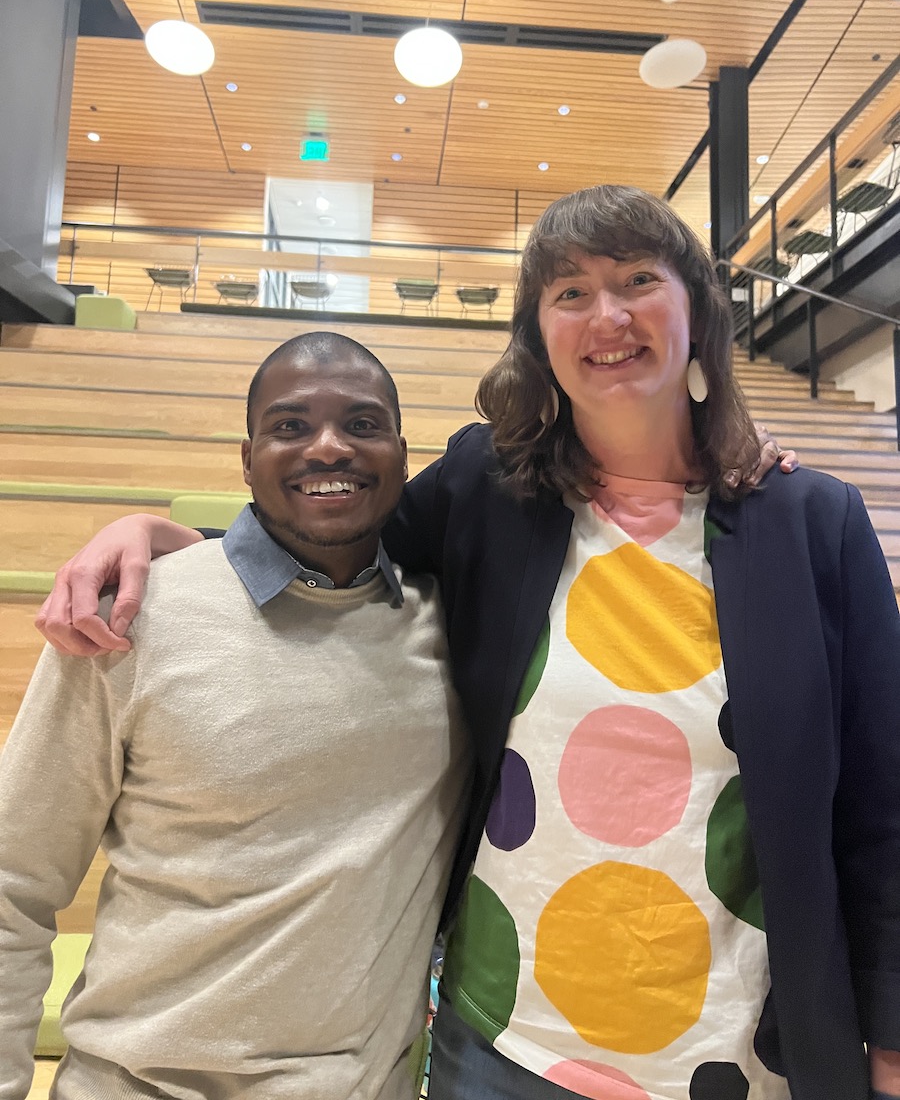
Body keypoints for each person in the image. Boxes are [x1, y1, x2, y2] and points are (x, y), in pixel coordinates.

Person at [37, 185, 894, 1100]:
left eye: (638, 279)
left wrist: (888, 1035)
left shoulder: (813, 521)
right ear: (538, 335)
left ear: (697, 310)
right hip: (501, 1043)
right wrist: (155, 536)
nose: (607, 314)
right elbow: (322, 543)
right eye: (568, 292)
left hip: (740, 1049)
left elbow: (883, 795)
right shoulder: (490, 487)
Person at [0, 333, 471, 1099]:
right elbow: (12, 881)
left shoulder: (453, 632)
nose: (329, 447)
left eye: (361, 424)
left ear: (402, 454)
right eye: (290, 427)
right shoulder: (129, 619)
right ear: (245, 458)